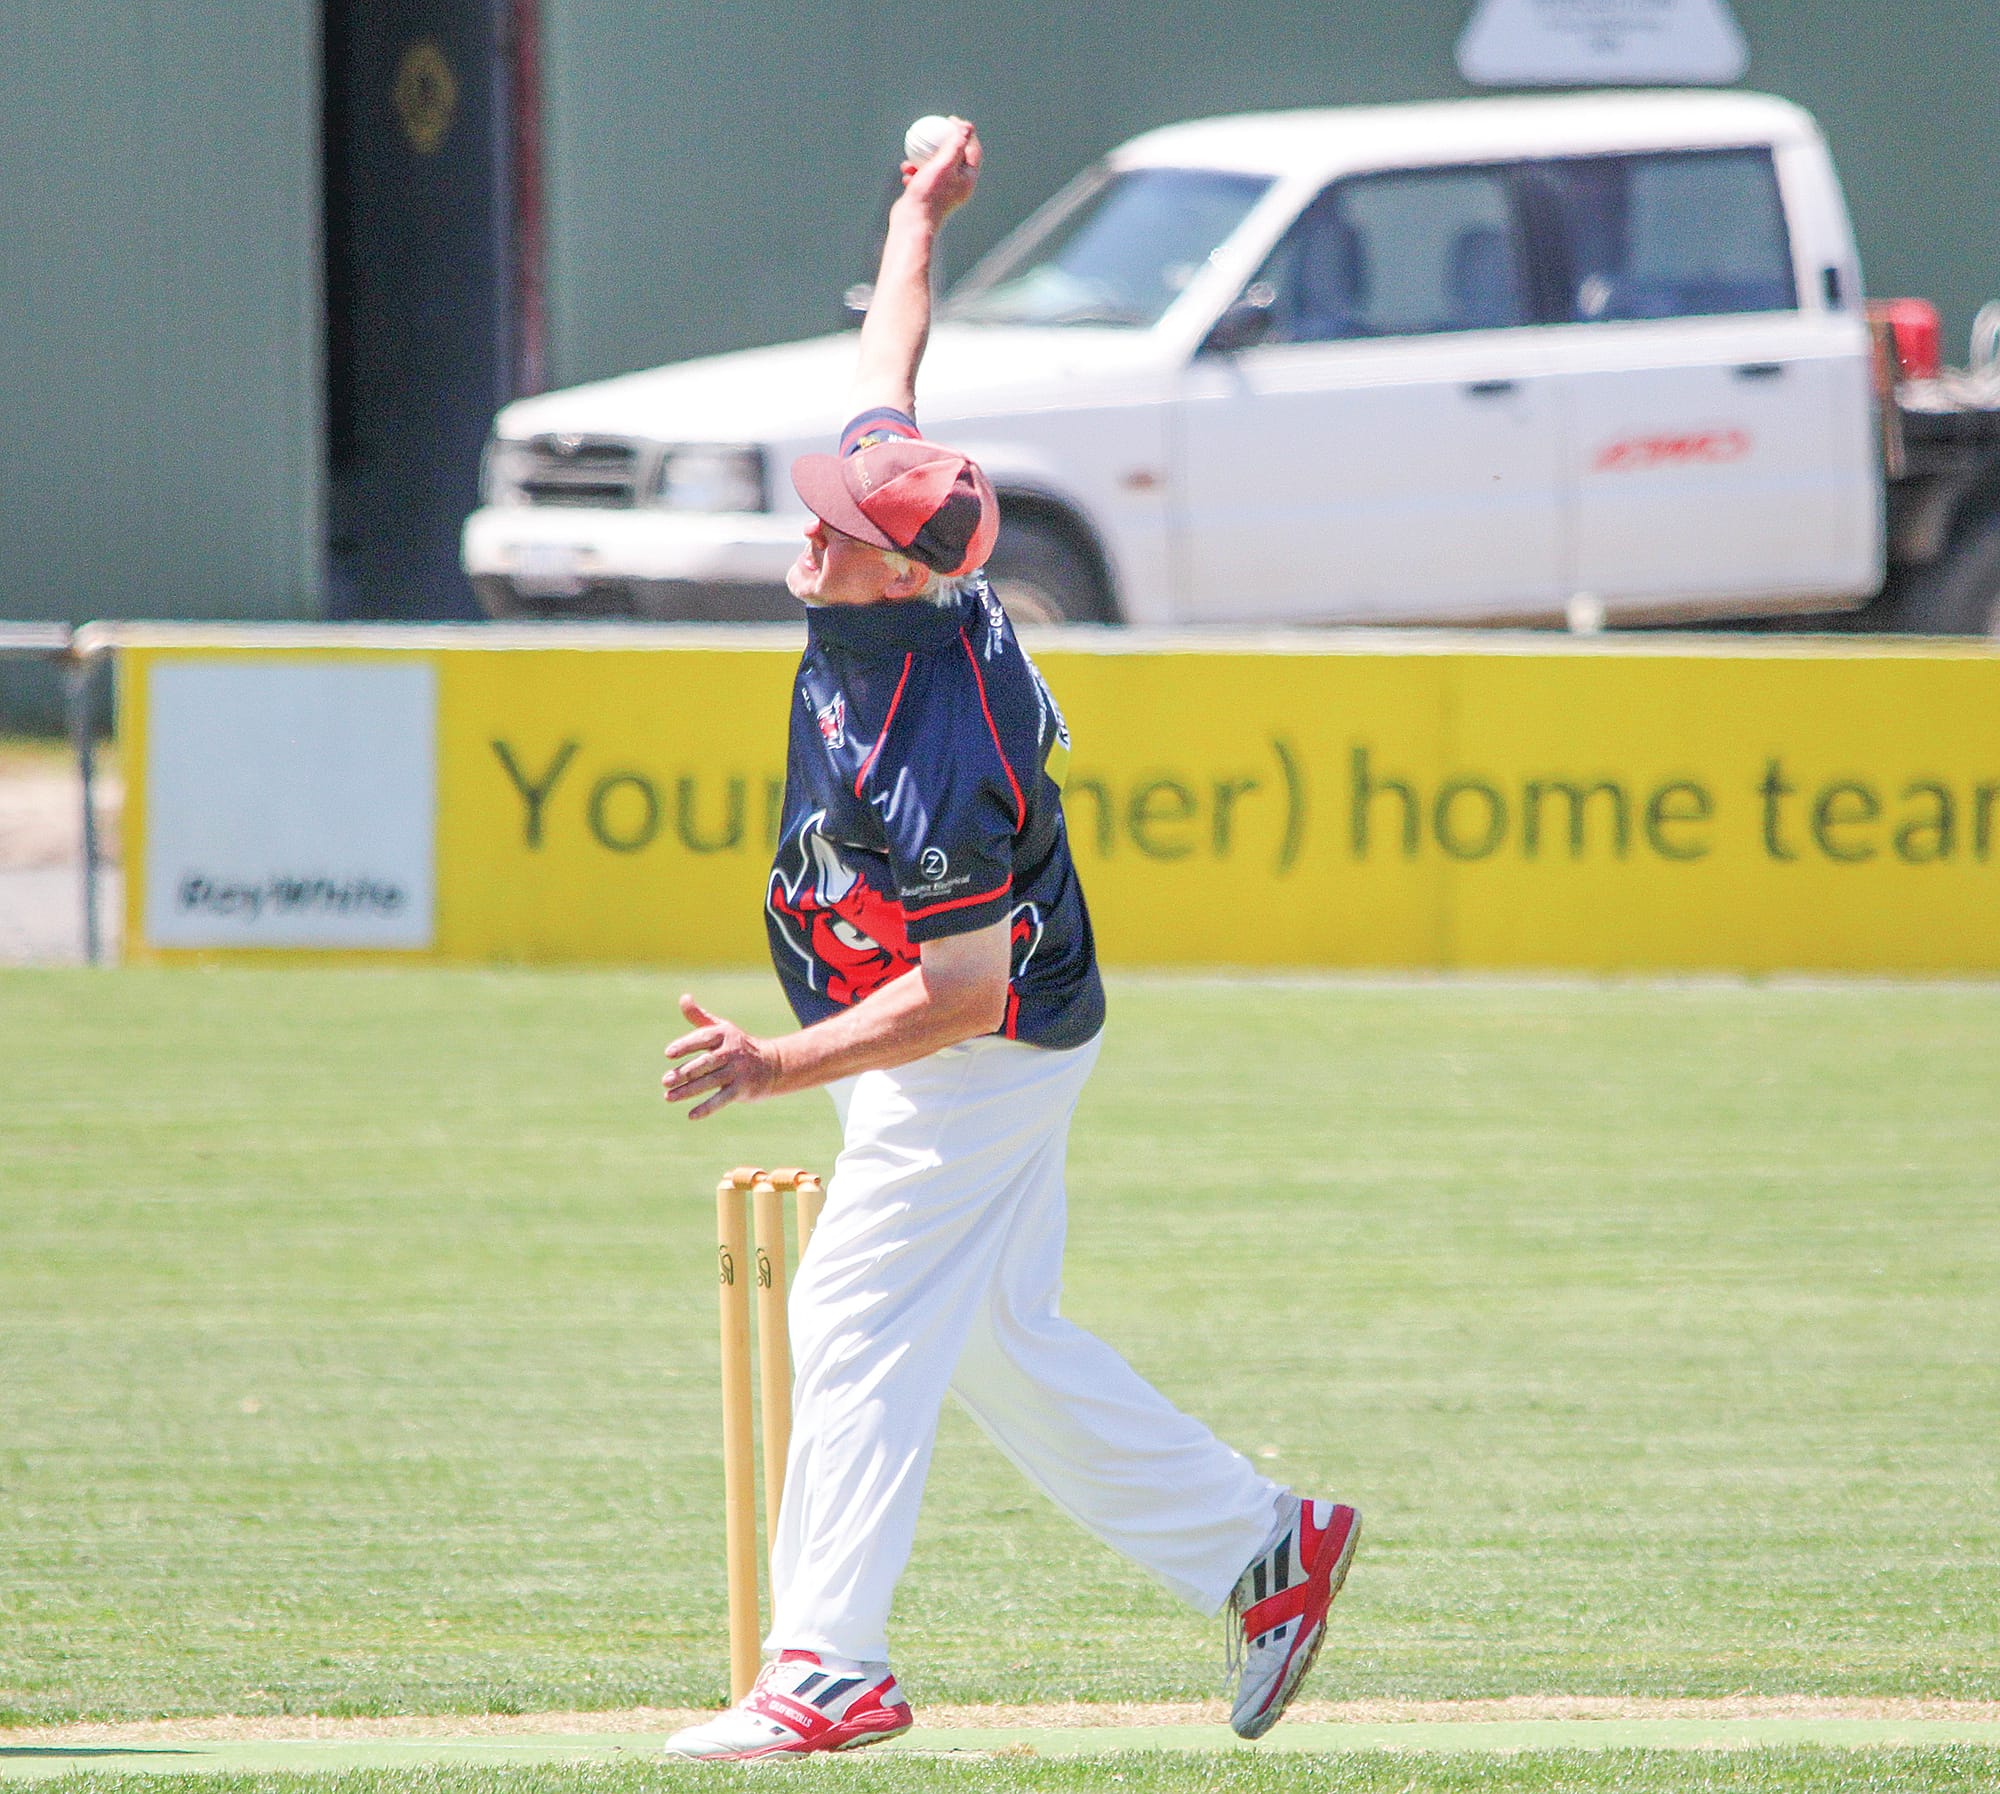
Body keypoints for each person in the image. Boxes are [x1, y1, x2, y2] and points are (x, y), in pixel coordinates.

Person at [659, 117, 1358, 1763]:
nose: (809, 522)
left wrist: (773, 1062)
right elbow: (889, 344)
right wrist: (918, 207)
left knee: (849, 1316)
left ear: (908, 566)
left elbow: (960, 994)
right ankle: (1268, 1546)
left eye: (839, 521)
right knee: (996, 1338)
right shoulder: (894, 547)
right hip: (960, 1021)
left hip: (979, 1044)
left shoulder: (936, 744)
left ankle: (829, 1666)